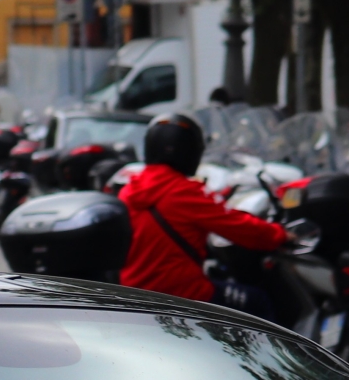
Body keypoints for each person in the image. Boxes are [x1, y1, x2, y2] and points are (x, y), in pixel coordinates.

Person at [118, 114, 290, 305]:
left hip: (133, 292)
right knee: (258, 302)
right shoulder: (184, 191)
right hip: (181, 294)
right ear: (190, 151)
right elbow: (238, 226)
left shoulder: (129, 190)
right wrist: (280, 235)